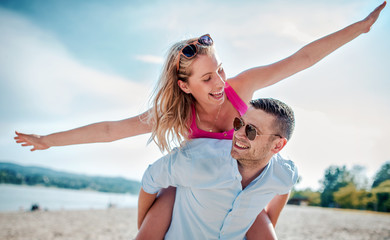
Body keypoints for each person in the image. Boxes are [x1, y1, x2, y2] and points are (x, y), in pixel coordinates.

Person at [14, 2, 386, 239]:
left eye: (220, 70)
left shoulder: (241, 89)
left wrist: (360, 28)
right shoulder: (177, 115)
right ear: (184, 85)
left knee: (265, 228)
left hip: (240, 191)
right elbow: (112, 130)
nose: (220, 83)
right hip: (193, 193)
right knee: (168, 195)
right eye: (207, 79)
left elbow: (301, 59)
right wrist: (48, 141)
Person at [137, 98, 298, 239]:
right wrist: (144, 227)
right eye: (239, 123)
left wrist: (267, 225)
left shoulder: (284, 172)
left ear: (277, 145)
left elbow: (284, 188)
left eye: (251, 131)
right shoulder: (196, 159)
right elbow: (150, 179)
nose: (239, 134)